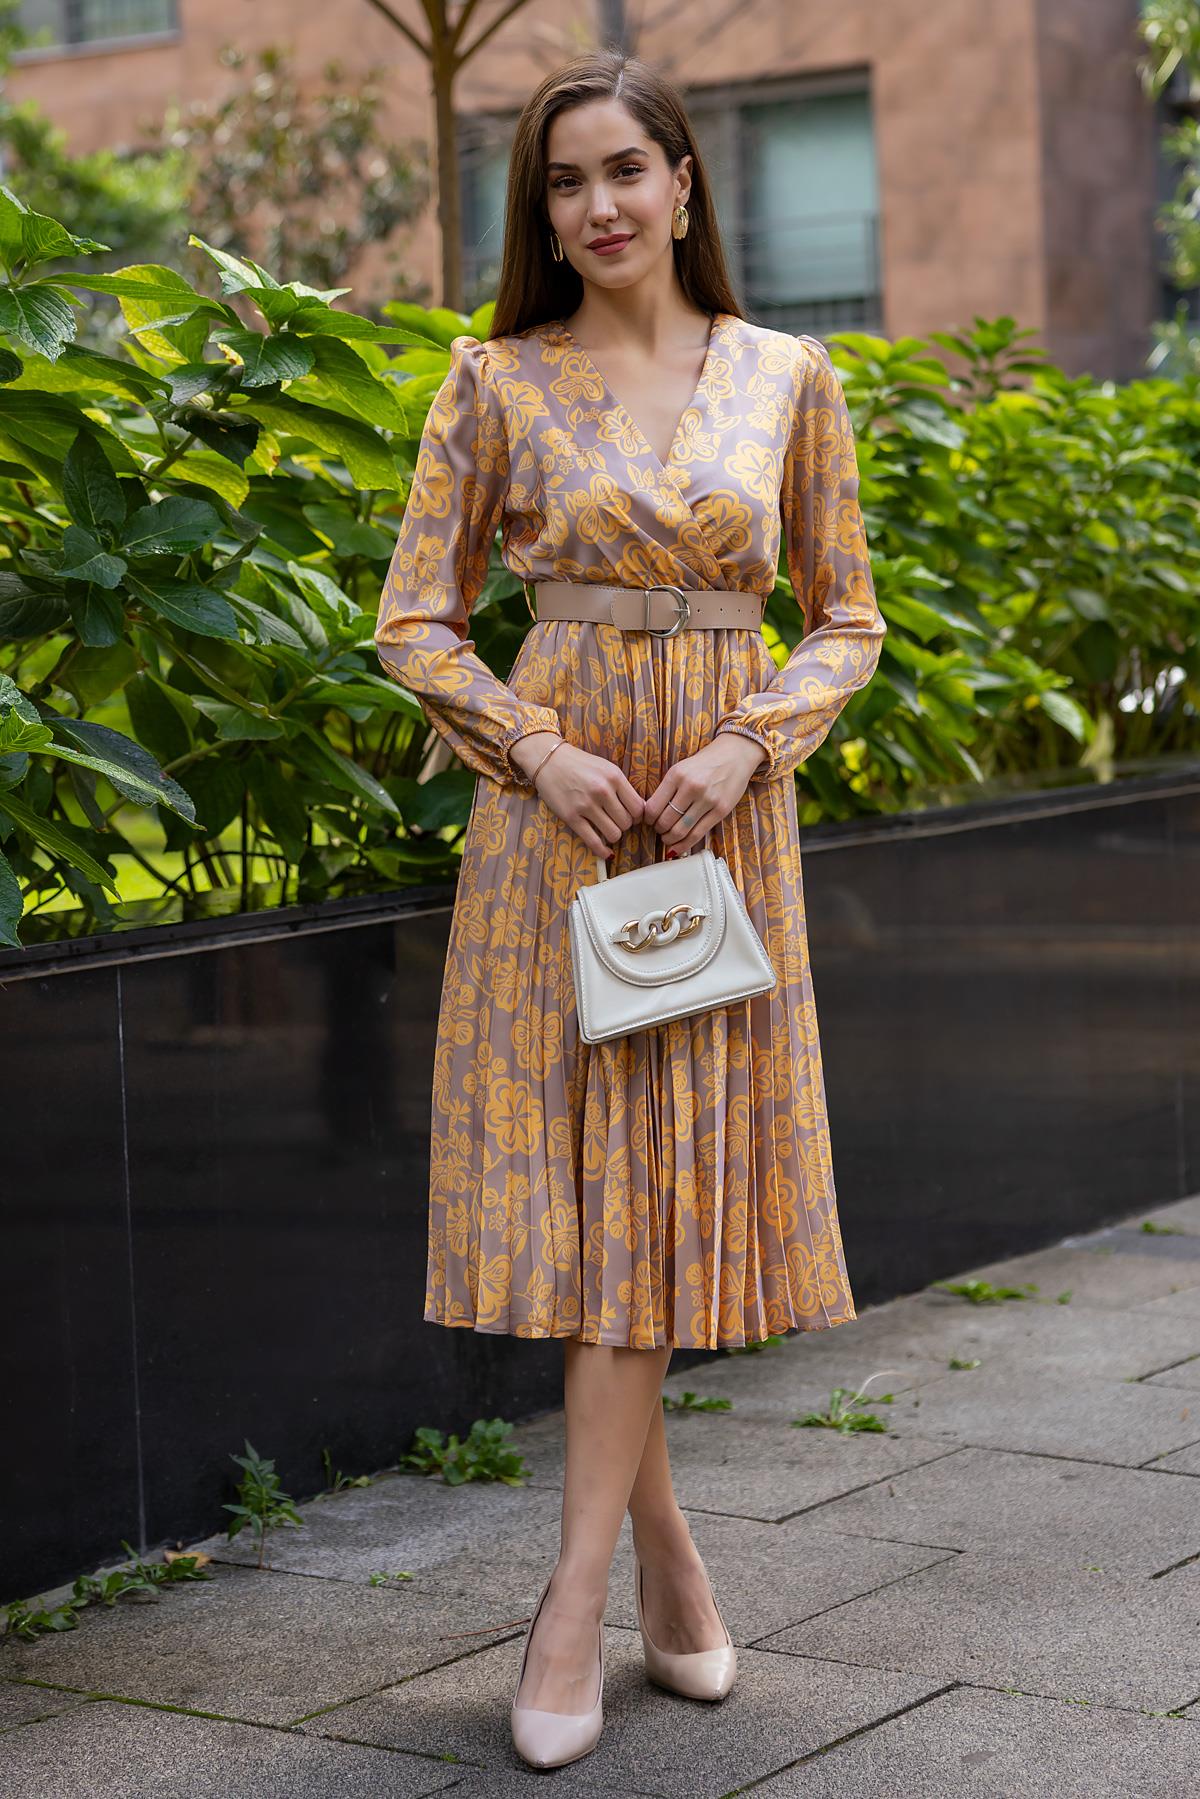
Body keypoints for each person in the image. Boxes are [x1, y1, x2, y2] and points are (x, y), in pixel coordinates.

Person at [375, 48, 887, 1772]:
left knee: (659, 1197)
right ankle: (631, 1580)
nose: (596, 207)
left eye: (623, 171)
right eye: (563, 185)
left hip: (718, 830)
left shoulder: (786, 376)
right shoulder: (494, 381)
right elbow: (417, 625)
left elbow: (847, 619)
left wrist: (755, 741)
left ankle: (586, 1596)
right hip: (563, 837)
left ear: (684, 179)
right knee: (606, 1207)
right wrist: (534, 750)